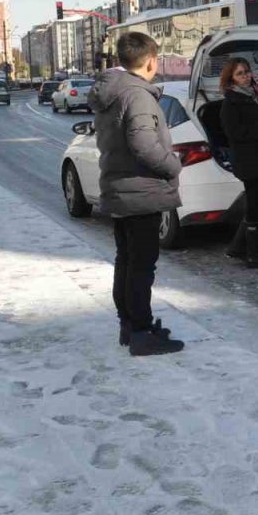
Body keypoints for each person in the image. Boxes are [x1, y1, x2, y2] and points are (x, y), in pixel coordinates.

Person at [88, 33, 185, 358]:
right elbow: (143, 144)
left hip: (119, 189)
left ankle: (130, 326)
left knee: (127, 262)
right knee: (141, 267)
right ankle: (142, 333)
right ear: (151, 61)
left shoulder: (112, 93)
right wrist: (172, 166)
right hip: (141, 191)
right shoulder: (138, 95)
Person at [219, 59, 258, 269]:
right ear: (231, 79)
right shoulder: (231, 103)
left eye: (247, 72)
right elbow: (235, 134)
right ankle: (255, 254)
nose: (245, 76)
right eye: (240, 74)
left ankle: (237, 247)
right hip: (248, 160)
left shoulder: (255, 97)